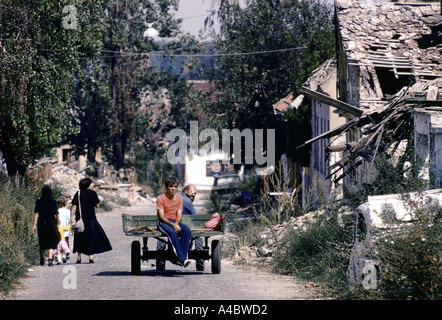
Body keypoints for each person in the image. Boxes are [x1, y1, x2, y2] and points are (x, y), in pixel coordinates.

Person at [70, 178, 112, 264]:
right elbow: (97, 205)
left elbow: (74, 206)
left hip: (80, 219)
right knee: (91, 238)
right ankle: (91, 257)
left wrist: (71, 218)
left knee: (79, 238)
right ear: (88, 185)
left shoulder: (78, 193)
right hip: (91, 219)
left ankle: (79, 257)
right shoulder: (93, 193)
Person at [156, 176, 191, 267]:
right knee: (172, 232)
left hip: (174, 222)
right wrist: (172, 225)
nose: (173, 189)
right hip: (163, 223)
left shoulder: (179, 198)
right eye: (171, 186)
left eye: (175, 187)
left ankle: (181, 258)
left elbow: (179, 214)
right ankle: (182, 258)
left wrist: (177, 223)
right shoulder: (160, 198)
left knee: (187, 230)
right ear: (166, 187)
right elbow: (161, 216)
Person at [178, 184, 204, 271]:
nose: (194, 195)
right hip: (182, 226)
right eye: (192, 192)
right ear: (185, 191)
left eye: (195, 194)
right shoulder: (187, 201)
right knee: (197, 236)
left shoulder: (175, 196)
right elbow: (195, 217)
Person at [33, 185, 60, 267]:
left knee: (42, 241)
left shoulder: (38, 201)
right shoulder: (53, 202)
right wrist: (58, 223)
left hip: (41, 223)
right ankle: (50, 260)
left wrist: (34, 225)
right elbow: (57, 214)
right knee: (51, 241)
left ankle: (41, 259)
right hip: (51, 223)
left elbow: (36, 213)